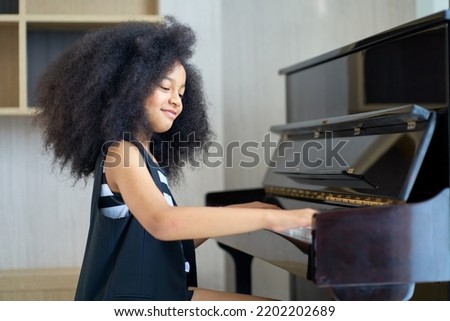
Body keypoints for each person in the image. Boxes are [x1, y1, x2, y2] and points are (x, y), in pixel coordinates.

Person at [34, 16, 315, 301]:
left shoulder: (145, 158)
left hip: (154, 294)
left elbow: (162, 241)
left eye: (181, 93)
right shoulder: (122, 153)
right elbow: (163, 223)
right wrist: (270, 218)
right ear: (128, 86)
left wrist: (254, 210)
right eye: (165, 88)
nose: (177, 100)